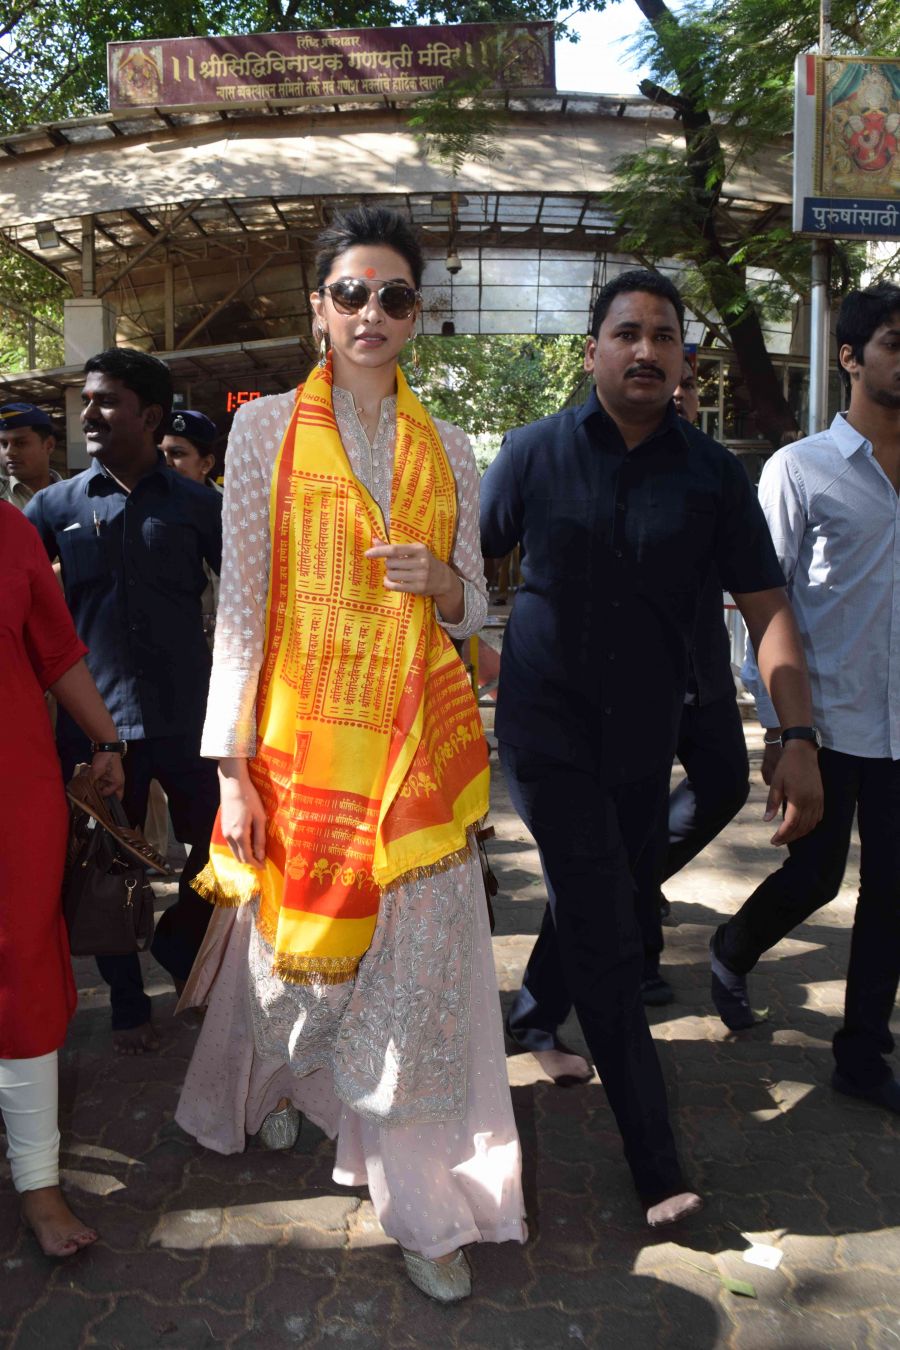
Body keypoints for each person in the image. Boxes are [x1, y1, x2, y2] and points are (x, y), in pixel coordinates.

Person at [175, 207, 526, 1303]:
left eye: (395, 297)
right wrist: (231, 772)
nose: (372, 314)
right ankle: (283, 1080)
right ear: (319, 307)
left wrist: (446, 585)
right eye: (351, 293)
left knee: (420, 986)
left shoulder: (450, 448)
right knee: (292, 970)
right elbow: (243, 606)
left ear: (419, 314)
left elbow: (477, 610)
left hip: (414, 759)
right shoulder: (265, 432)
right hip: (299, 753)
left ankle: (423, 1204)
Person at [480, 268, 824, 1226]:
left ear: (683, 359)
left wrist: (796, 733)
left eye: (663, 336)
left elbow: (768, 611)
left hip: (645, 742)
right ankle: (654, 1161)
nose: (645, 350)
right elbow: (465, 569)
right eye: (626, 333)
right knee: (603, 919)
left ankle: (534, 1014)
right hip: (545, 737)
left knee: (612, 896)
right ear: (591, 351)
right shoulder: (530, 454)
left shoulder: (714, 475)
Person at [711, 283, 900, 1114]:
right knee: (817, 878)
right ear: (851, 356)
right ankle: (732, 945)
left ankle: (861, 1053)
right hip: (825, 722)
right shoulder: (801, 470)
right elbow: (760, 603)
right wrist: (781, 730)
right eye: (896, 341)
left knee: (893, 893)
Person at [25, 349, 222, 1055]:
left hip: (192, 721)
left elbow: (250, 609)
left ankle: (179, 939)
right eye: (87, 400)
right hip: (96, 731)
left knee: (225, 849)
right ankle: (130, 1007)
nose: (90, 413)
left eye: (106, 400)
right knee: (107, 867)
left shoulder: (201, 506)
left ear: (151, 414)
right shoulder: (52, 509)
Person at [0, 501, 125, 1256]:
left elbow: (56, 651)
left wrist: (107, 739)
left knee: (24, 976)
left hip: (14, 795)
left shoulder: (9, 528)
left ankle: (39, 1184)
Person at [636, 361, 750, 1004]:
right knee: (642, 812)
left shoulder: (713, 468)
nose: (679, 395)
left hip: (704, 673)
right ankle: (640, 956)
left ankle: (634, 884)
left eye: (689, 385)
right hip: (631, 684)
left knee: (727, 785)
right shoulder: (604, 457)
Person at [0, 403, 62, 510]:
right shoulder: (2, 496)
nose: (9, 452)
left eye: (20, 443)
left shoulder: (76, 495)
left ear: (49, 445)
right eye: (4, 444)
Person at [161, 410, 220, 487]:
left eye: (177, 453)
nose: (165, 462)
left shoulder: (228, 498)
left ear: (206, 464)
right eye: (159, 452)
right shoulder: (145, 497)